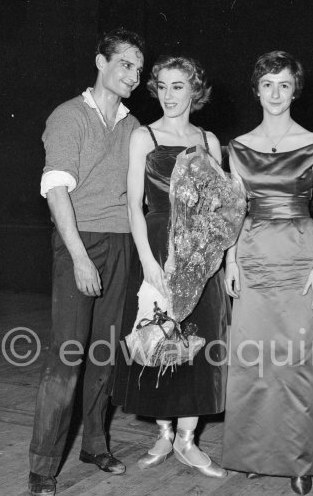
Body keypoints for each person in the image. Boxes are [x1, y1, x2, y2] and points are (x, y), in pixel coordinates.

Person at [28, 28, 145, 496]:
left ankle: (94, 443)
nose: (133, 76)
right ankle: (42, 465)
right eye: (124, 64)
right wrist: (78, 256)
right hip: (79, 242)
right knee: (68, 356)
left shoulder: (136, 128)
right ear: (100, 62)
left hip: (122, 245)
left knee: (105, 354)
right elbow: (56, 190)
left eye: (139, 69)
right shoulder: (69, 116)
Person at [222, 51, 313, 496]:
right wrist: (230, 260)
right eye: (267, 84)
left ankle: (298, 461)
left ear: (295, 90)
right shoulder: (238, 146)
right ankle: (254, 454)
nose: (275, 93)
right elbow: (233, 212)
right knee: (252, 361)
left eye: (284, 84)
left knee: (296, 363)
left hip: (299, 256)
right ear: (256, 89)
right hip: (251, 254)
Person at [111, 55, 228, 479]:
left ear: (194, 90)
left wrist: (216, 259)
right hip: (158, 246)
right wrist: (147, 260)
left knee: (199, 339)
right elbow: (133, 204)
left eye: (178, 86)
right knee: (157, 334)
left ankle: (187, 440)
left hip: (198, 252)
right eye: (161, 86)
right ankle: (163, 433)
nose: (169, 95)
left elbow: (219, 209)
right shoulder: (144, 137)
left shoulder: (210, 140)